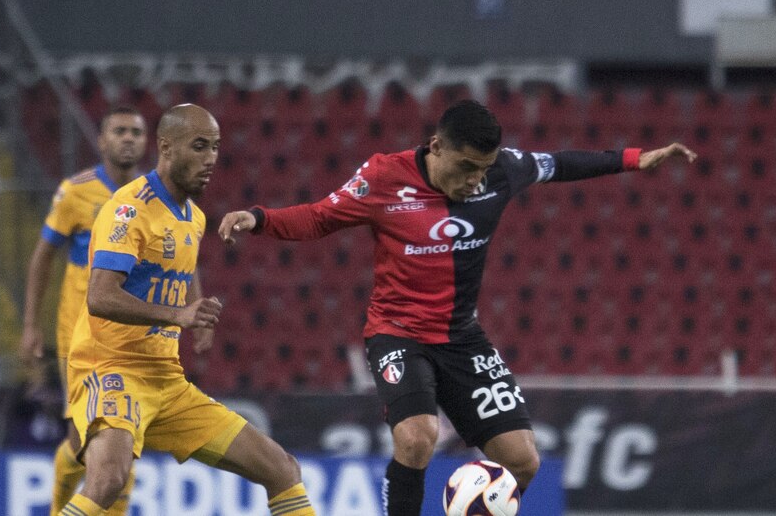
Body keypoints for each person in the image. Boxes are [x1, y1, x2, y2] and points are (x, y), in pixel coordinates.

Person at [219, 99, 696, 516]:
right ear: (436, 147)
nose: (475, 180)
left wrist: (636, 159)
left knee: (523, 460)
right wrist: (259, 219)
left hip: (462, 338)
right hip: (398, 334)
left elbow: (562, 164)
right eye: (467, 166)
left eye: (483, 169)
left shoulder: (504, 170)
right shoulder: (384, 176)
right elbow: (320, 217)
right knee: (417, 437)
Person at [59, 103, 316, 516]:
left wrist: (195, 310)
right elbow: (100, 297)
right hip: (111, 369)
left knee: (283, 469)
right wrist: (176, 315)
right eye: (199, 146)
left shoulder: (193, 217)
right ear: (166, 147)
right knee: (108, 479)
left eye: (215, 147)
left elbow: (182, 264)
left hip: (167, 382)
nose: (210, 158)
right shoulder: (129, 209)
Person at [18, 106, 148, 515]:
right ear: (103, 141)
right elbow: (42, 257)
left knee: (122, 441)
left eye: (136, 132)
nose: (128, 138)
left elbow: (181, 257)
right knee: (86, 442)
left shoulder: (154, 196)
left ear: (147, 142)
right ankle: (61, 506)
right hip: (80, 337)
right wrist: (30, 326)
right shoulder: (76, 191)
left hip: (130, 337)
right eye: (119, 131)